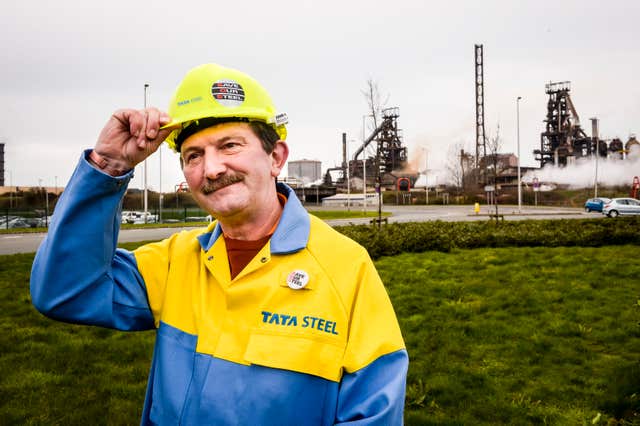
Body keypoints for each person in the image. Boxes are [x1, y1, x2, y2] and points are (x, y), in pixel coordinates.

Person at [30, 63, 408, 425]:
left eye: (229, 146)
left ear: (276, 157)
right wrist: (108, 165)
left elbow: (374, 413)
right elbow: (64, 291)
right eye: (193, 155)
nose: (211, 169)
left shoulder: (345, 268)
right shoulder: (175, 262)